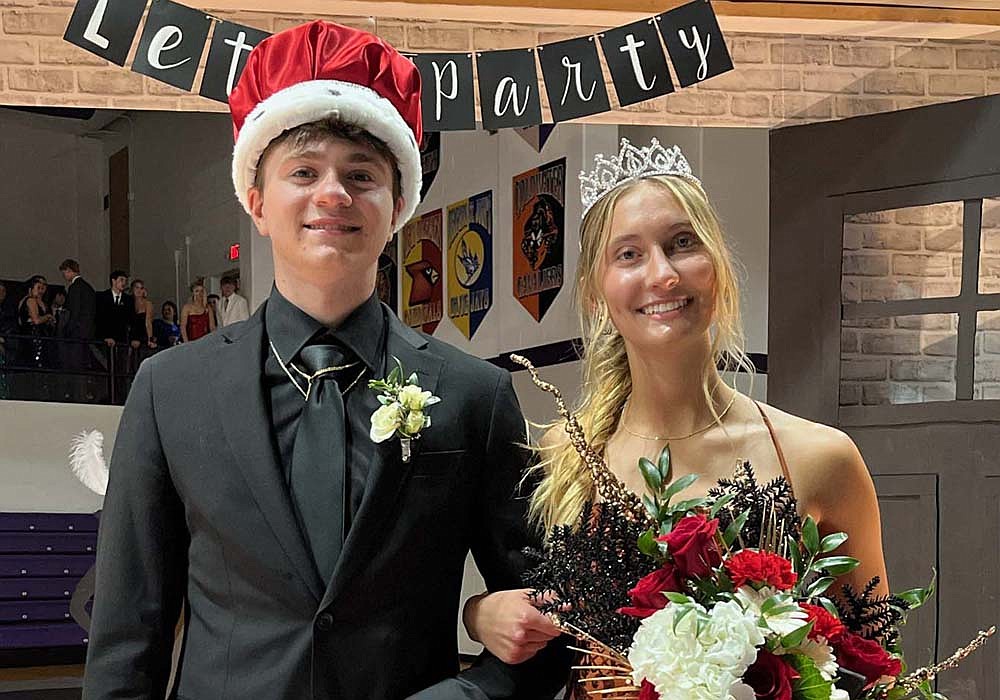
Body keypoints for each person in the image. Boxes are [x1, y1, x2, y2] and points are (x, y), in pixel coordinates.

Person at [83, 20, 567, 700]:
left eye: (361, 175)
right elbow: (127, 632)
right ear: (256, 201)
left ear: (398, 205)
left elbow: (551, 622)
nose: (333, 193)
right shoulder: (170, 389)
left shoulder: (474, 396)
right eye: (303, 172)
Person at [463, 139, 890, 691]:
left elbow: (873, 662)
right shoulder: (560, 464)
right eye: (629, 254)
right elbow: (530, 617)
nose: (662, 274)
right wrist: (478, 613)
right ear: (597, 291)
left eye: (681, 243)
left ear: (716, 264)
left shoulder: (821, 459)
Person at [59, 259, 98, 401]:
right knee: (83, 364)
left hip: (76, 333)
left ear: (69, 270)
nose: (64, 276)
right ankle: (84, 394)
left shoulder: (75, 288)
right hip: (87, 333)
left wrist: (68, 330)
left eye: (64, 273)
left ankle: (77, 396)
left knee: (75, 365)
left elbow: (74, 311)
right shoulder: (89, 288)